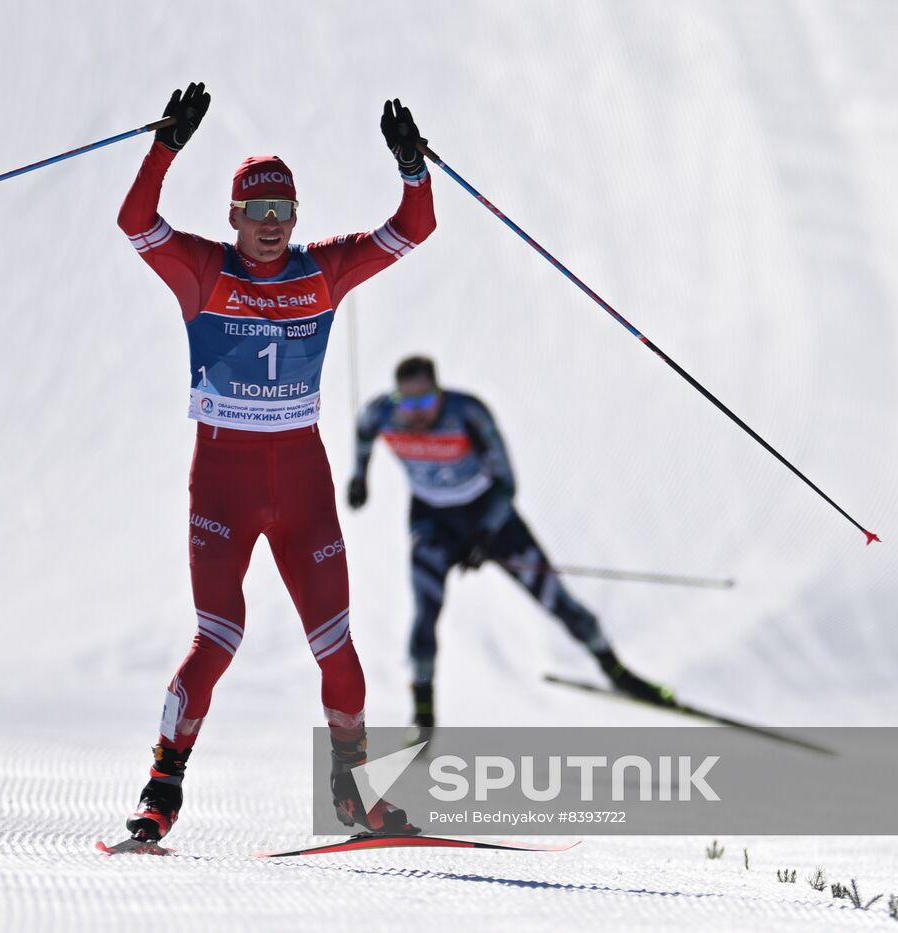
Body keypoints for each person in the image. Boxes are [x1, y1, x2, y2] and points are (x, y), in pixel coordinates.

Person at [115, 83, 437, 843]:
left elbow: (414, 226)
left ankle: (352, 795)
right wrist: (165, 148)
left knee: (338, 650)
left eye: (282, 210)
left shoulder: (321, 270)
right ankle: (161, 790)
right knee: (217, 638)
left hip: (302, 488)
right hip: (222, 487)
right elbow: (136, 222)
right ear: (233, 215)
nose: (269, 224)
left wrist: (411, 166)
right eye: (256, 210)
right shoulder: (203, 270)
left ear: (296, 216)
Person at [348, 355, 673, 737]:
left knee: (556, 599)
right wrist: (360, 478)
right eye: (407, 402)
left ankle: (616, 671)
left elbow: (506, 483)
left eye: (424, 401)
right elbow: (363, 433)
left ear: (440, 393)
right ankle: (423, 714)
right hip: (433, 521)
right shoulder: (381, 413)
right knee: (424, 614)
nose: (416, 413)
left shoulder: (468, 413)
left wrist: (486, 535)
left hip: (490, 516)